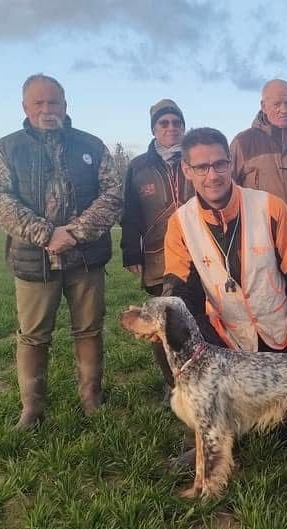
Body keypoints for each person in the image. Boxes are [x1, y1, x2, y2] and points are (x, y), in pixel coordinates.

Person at [0, 74, 122, 429]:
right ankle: (32, 409)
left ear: (65, 104)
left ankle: (91, 398)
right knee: (32, 335)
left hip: (86, 258)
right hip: (34, 262)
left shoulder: (91, 145)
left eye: (54, 102)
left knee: (89, 330)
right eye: (39, 103)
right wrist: (46, 234)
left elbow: (112, 195)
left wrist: (73, 233)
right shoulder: (7, 148)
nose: (48, 109)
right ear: (25, 107)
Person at [163, 127, 287, 354]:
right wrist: (163, 320)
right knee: (162, 334)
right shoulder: (180, 223)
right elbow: (178, 291)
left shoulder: (271, 207)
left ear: (231, 163)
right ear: (187, 170)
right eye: (202, 167)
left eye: (220, 164)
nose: (213, 176)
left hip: (279, 335)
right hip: (226, 341)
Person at [120, 99, 194, 401]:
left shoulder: (196, 158)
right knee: (162, 322)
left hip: (198, 253)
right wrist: (130, 251)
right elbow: (130, 213)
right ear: (154, 129)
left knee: (202, 317)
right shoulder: (139, 167)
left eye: (177, 123)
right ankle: (172, 382)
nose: (171, 128)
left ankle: (201, 378)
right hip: (157, 257)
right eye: (164, 123)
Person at [230, 79, 287, 258]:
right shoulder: (243, 142)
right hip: (259, 242)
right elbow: (230, 190)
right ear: (263, 106)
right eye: (277, 104)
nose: (284, 109)